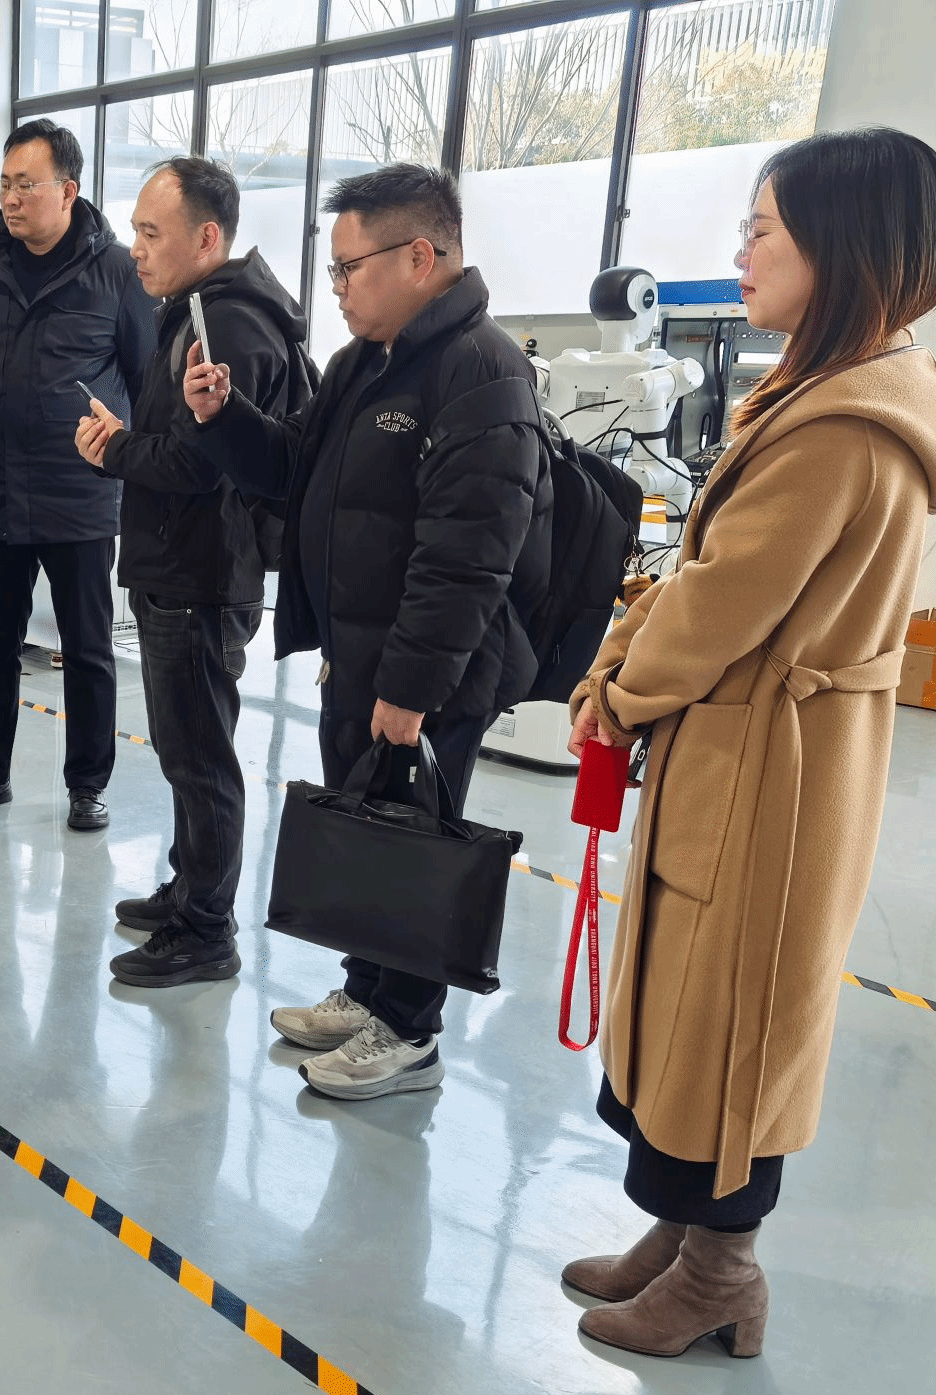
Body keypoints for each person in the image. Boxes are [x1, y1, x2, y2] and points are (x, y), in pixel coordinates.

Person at [560, 127, 936, 1360]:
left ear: (843, 249)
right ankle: (682, 1236)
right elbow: (705, 576)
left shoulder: (840, 425)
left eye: (760, 232)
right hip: (750, 743)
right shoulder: (826, 389)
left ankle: (720, 1271)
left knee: (733, 1012)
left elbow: (722, 601)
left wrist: (618, 693)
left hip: (770, 765)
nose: (738, 254)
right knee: (692, 998)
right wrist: (625, 666)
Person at [181, 163, 551, 1097]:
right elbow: (294, 470)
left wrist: (410, 686)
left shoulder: (481, 371)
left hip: (430, 669)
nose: (337, 288)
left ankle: (411, 1030)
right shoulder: (362, 365)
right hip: (360, 652)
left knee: (416, 840)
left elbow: (469, 553)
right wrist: (225, 418)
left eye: (349, 268)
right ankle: (367, 987)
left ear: (420, 257)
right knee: (368, 829)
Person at [73, 157, 313, 988]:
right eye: (134, 231)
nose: (135, 249)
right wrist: (127, 443)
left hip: (202, 573)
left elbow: (199, 463)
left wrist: (115, 450)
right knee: (186, 752)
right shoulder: (199, 311)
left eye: (151, 233)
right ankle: (189, 888)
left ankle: (207, 930)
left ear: (207, 237)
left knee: (202, 759)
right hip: (183, 564)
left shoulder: (229, 326)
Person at [0, 118, 158, 833]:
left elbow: (145, 377)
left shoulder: (116, 269)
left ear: (68, 189)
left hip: (79, 488)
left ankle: (87, 783)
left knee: (87, 649)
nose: (10, 197)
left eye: (25, 184)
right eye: (3, 183)